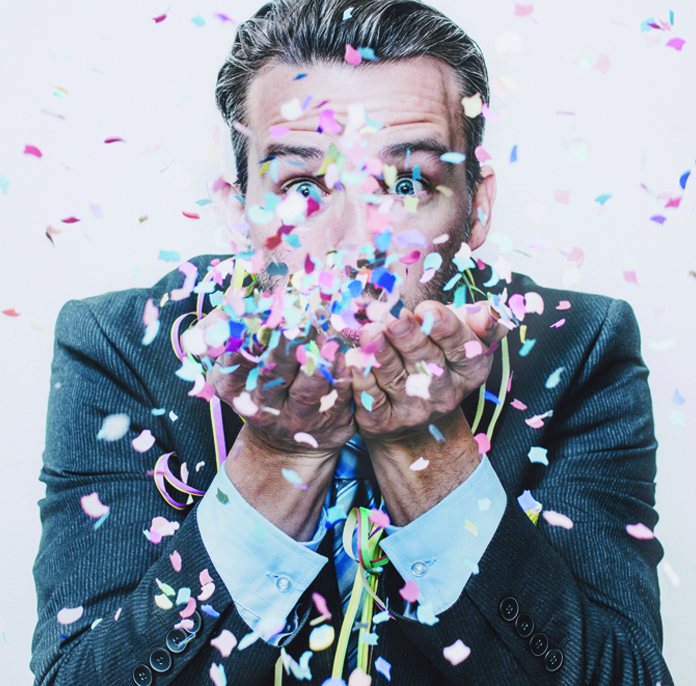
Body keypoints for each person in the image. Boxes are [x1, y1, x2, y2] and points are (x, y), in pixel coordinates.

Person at [31, 1, 674, 684]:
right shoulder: (122, 348)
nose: (355, 240)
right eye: (303, 185)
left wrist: (425, 449)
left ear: (476, 208)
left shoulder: (576, 351)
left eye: (405, 183)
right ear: (237, 208)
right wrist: (274, 458)